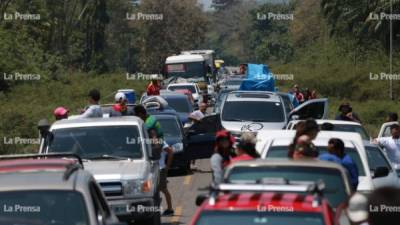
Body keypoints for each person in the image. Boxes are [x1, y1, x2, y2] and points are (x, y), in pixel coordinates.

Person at [148, 129, 174, 216]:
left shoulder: (161, 142)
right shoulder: (148, 142)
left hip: (160, 169)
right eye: (151, 134)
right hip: (152, 170)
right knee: (154, 190)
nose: (152, 136)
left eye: (153, 134)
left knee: (163, 189)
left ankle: (170, 209)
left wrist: (167, 166)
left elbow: (170, 151)